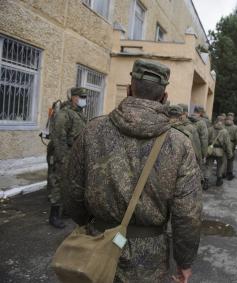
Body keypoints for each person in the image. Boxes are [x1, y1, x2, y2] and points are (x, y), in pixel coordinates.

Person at [63, 59, 202, 283]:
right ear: (164, 98)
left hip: (97, 248)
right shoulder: (179, 144)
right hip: (150, 260)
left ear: (129, 89)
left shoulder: (92, 131)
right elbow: (188, 214)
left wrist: (92, 224)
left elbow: (71, 192)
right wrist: (184, 262)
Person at [47, 87, 88, 229]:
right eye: (81, 97)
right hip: (62, 154)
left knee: (69, 184)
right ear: (73, 97)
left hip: (73, 155)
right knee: (57, 182)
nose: (84, 99)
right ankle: (54, 216)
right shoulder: (64, 114)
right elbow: (59, 138)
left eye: (85, 97)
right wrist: (63, 158)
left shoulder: (79, 114)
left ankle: (65, 211)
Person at [206, 118, 233, 188]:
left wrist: (205, 150)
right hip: (220, 151)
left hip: (210, 150)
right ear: (222, 123)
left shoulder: (209, 129)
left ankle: (206, 182)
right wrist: (230, 154)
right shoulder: (224, 131)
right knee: (220, 166)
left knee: (209, 166)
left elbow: (205, 140)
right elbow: (227, 144)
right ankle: (218, 180)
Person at [224, 114, 237, 180]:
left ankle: (222, 173)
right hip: (231, 145)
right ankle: (229, 173)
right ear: (232, 119)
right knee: (230, 159)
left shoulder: (223, 126)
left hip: (223, 145)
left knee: (223, 159)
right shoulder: (235, 127)